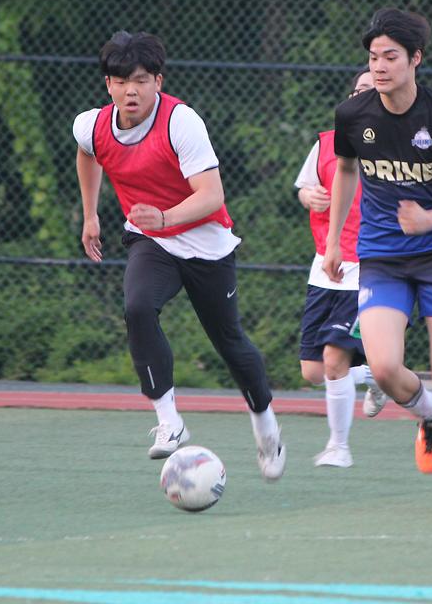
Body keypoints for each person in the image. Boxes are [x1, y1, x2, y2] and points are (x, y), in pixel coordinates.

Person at [72, 30, 285, 481]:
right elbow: (87, 154)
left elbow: (211, 195)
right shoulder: (91, 125)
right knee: (137, 307)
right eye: (121, 81)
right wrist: (91, 215)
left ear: (158, 81)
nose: (131, 90)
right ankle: (169, 421)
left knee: (229, 342)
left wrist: (166, 217)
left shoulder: (181, 122)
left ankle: (266, 424)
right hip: (153, 242)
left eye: (141, 80)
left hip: (206, 243)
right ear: (108, 85)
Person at [322, 8, 432, 514]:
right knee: (385, 367)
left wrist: (430, 219)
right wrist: (334, 242)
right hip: (381, 257)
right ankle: (431, 416)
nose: (379, 66)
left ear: (415, 59)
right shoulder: (353, 115)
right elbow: (345, 170)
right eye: (374, 57)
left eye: (390, 56)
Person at [294, 69, 388, 468]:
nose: (362, 96)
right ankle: (377, 375)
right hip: (325, 266)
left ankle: (339, 447)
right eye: (358, 90)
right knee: (313, 372)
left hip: (368, 268)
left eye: (372, 90)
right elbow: (305, 188)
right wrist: (310, 196)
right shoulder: (326, 143)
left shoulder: (394, 148)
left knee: (334, 359)